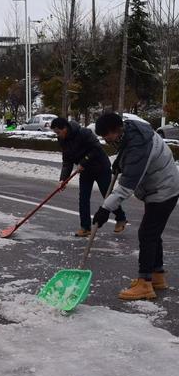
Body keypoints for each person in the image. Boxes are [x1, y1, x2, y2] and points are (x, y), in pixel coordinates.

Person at [93, 113, 179, 300]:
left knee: (147, 234)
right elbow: (126, 150)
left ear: (116, 130)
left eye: (106, 136)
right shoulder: (130, 129)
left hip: (163, 189)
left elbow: (126, 187)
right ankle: (157, 276)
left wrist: (105, 209)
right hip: (160, 186)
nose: (105, 140)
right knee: (152, 233)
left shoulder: (138, 145)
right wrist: (119, 163)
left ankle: (145, 284)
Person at [51, 117, 127, 237]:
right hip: (85, 171)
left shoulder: (84, 133)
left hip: (100, 167)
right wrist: (63, 179)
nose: (58, 135)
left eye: (58, 132)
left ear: (65, 128)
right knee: (83, 198)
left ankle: (121, 218)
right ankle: (85, 227)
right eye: (56, 133)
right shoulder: (63, 140)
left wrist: (83, 162)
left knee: (106, 195)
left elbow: (96, 148)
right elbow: (67, 161)